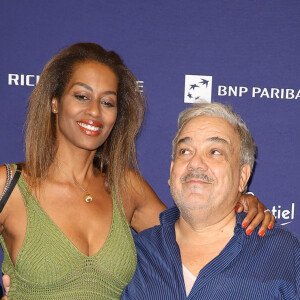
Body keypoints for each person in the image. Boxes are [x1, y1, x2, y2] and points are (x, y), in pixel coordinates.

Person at [0, 44, 273, 299]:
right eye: (82, 96)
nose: (94, 112)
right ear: (54, 102)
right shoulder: (8, 185)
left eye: (107, 102)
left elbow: (190, 232)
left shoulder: (125, 186)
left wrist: (236, 203)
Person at [121, 103, 300, 300]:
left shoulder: (284, 254)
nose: (195, 163)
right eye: (185, 151)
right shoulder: (135, 254)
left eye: (215, 152)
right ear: (172, 171)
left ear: (242, 176)